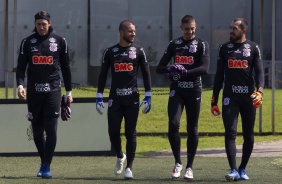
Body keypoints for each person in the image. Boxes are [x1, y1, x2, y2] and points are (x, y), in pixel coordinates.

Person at [16, 10, 73, 179]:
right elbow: (20, 67)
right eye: (39, 24)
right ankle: (43, 161)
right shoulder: (27, 42)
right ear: (35, 24)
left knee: (51, 128)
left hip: (53, 91)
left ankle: (46, 166)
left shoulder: (60, 41)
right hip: (33, 92)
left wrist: (69, 92)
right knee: (37, 130)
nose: (41, 27)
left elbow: (66, 68)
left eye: (44, 24)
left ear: (49, 23)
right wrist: (20, 85)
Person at [96, 20, 152, 179]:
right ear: (121, 32)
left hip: (132, 98)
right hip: (115, 98)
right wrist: (99, 96)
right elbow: (102, 75)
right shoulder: (110, 52)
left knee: (130, 133)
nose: (133, 34)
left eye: (134, 31)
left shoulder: (139, 51)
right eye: (130, 31)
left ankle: (129, 168)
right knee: (113, 132)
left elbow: (147, 74)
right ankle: (121, 156)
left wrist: (148, 95)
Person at [156, 15, 210, 180]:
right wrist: (171, 69)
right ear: (181, 28)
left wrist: (185, 72)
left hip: (194, 90)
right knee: (173, 124)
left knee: (192, 128)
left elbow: (205, 68)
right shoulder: (174, 44)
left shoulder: (201, 44)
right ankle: (178, 162)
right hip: (177, 90)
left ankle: (190, 167)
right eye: (187, 29)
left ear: (195, 26)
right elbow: (159, 67)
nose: (190, 31)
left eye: (193, 28)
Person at [211, 18, 264, 181]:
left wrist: (260, 92)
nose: (231, 31)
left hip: (249, 98)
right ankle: (233, 169)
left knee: (248, 135)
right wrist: (214, 99)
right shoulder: (224, 48)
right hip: (230, 97)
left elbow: (260, 73)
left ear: (243, 30)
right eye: (230, 27)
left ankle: (242, 169)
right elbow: (219, 75)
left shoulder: (253, 48)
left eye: (234, 28)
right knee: (230, 133)